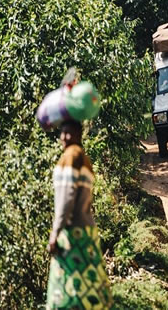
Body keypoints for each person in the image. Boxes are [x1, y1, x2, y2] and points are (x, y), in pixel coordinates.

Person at [46, 121, 113, 309]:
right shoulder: (84, 158)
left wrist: (55, 233)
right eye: (62, 133)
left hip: (72, 232)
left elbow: (66, 200)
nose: (63, 137)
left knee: (67, 284)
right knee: (88, 283)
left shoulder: (70, 157)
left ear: (78, 135)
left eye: (68, 133)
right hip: (87, 231)